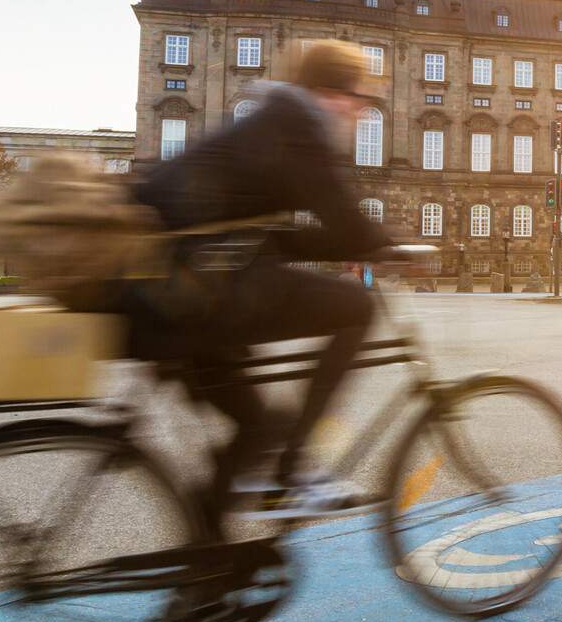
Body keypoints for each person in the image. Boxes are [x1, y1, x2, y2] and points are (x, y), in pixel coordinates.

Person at [130, 39, 392, 523]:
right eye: (355, 95)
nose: (360, 108)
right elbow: (344, 224)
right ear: (327, 91)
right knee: (357, 308)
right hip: (187, 292)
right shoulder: (296, 127)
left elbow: (279, 239)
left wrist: (359, 242)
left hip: (168, 291)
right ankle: (293, 470)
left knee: (258, 431)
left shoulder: (272, 121)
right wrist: (387, 242)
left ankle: (209, 570)